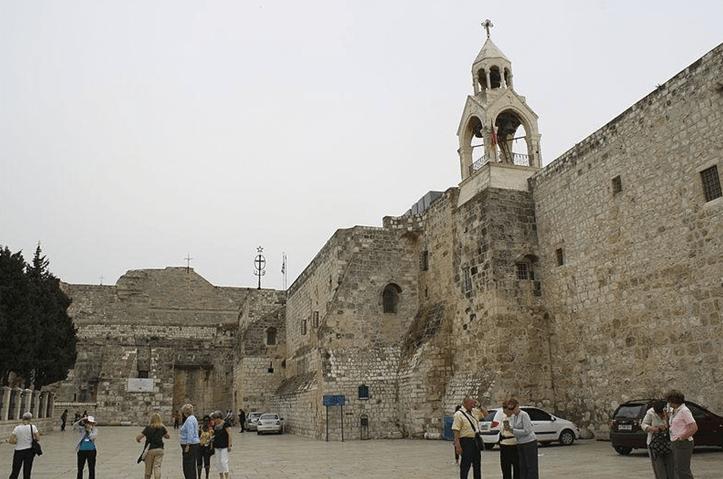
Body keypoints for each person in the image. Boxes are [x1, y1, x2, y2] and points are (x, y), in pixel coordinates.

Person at [452, 395, 488, 479]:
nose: (472, 405)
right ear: (465, 403)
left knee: (477, 464)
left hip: (475, 440)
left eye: (473, 403)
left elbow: (486, 414)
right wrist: (457, 445)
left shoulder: (475, 412)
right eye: (471, 403)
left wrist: (479, 406)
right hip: (465, 441)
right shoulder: (459, 414)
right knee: (465, 464)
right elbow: (456, 431)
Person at [666, 390, 698, 479]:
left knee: (683, 470)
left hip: (683, 443)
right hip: (676, 442)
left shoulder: (684, 411)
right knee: (677, 469)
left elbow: (693, 427)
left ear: (674, 401)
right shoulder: (676, 411)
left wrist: (682, 437)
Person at [641, 400, 674, 479]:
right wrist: (652, 428)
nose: (661, 415)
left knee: (671, 468)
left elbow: (675, 424)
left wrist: (668, 423)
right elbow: (644, 425)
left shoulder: (671, 412)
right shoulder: (650, 413)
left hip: (668, 443)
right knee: (659, 468)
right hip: (655, 444)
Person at [507, 398, 538, 479]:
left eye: (513, 409)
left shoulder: (524, 415)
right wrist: (510, 429)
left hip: (529, 442)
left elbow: (527, 430)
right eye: (510, 409)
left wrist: (514, 430)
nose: (512, 411)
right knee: (522, 466)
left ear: (517, 407)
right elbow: (512, 428)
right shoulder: (513, 417)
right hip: (520, 443)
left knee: (531, 466)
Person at [136, 412, 170, 479]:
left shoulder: (148, 428)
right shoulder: (162, 428)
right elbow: (168, 436)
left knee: (148, 468)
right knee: (157, 466)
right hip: (160, 449)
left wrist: (138, 440)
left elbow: (139, 437)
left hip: (150, 450)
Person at [8, 412, 40, 479]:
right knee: (27, 470)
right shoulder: (33, 427)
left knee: (15, 470)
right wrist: (31, 440)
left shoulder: (17, 428)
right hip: (29, 451)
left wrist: (17, 442)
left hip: (18, 451)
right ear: (30, 419)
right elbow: (37, 438)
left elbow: (11, 441)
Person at [497, 398, 521, 479]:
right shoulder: (503, 417)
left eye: (505, 408)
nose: (504, 410)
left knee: (516, 469)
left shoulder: (516, 417)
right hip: (504, 444)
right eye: (503, 407)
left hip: (513, 444)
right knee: (505, 469)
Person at [73, 415, 98, 479]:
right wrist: (81, 420)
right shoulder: (82, 429)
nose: (89, 423)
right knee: (80, 467)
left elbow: (92, 437)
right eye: (88, 422)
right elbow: (75, 426)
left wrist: (89, 430)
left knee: (91, 467)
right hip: (82, 450)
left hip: (91, 450)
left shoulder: (95, 429)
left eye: (91, 422)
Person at [179, 403, 200, 479]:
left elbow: (190, 433)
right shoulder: (192, 418)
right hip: (193, 444)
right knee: (191, 465)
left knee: (188, 466)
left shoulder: (189, 420)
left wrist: (188, 445)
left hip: (190, 445)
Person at [211, 410, 233, 479]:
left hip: (224, 445)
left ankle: (226, 476)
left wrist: (230, 444)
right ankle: (221, 476)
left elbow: (230, 434)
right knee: (218, 461)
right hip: (217, 445)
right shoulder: (215, 426)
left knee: (224, 461)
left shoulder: (226, 424)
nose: (216, 420)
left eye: (216, 418)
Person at [197, 415, 214, 479]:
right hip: (200, 446)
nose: (206, 422)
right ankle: (199, 477)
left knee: (207, 462)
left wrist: (211, 445)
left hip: (207, 447)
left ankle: (207, 477)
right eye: (205, 420)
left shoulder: (210, 429)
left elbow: (212, 438)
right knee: (199, 462)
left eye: (207, 421)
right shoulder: (200, 428)